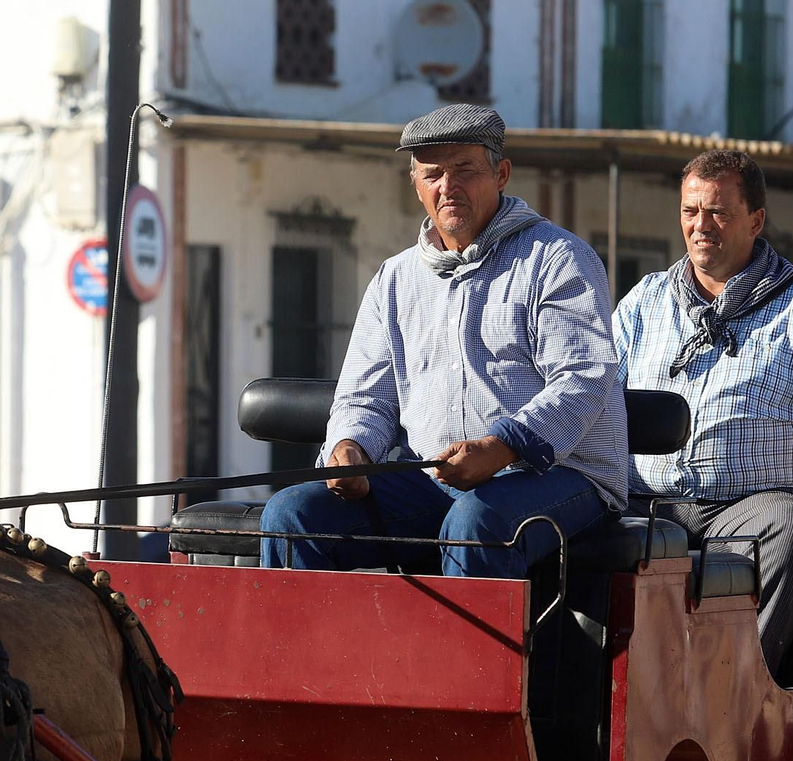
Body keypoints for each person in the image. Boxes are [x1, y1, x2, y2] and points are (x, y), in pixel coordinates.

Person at [259, 104, 627, 578]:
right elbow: (366, 396)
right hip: (431, 482)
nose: (447, 187)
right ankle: (306, 655)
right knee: (292, 516)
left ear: (502, 174)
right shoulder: (394, 279)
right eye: (432, 174)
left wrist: (501, 446)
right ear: (415, 185)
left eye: (464, 170)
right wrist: (351, 449)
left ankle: (464, 657)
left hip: (557, 475)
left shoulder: (557, 259)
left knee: (475, 522)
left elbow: (584, 380)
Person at [613, 149, 793, 672]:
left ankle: (740, 686)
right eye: (690, 211)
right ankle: (594, 690)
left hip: (748, 509)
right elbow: (594, 400)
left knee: (789, 523)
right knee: (576, 521)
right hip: (649, 503)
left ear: (755, 221)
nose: (700, 225)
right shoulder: (645, 301)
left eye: (718, 212)